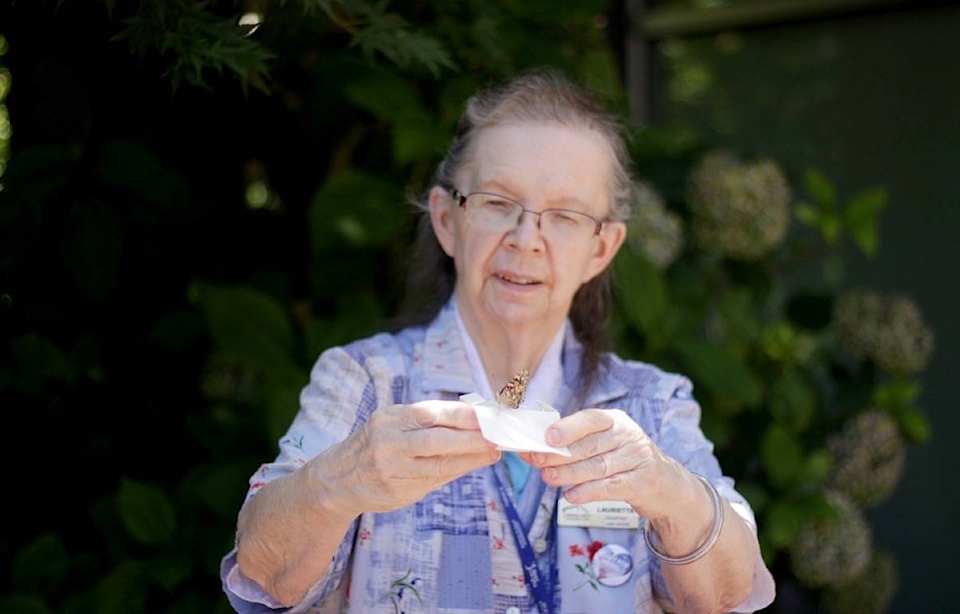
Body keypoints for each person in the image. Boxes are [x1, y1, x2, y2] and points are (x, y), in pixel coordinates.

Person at [220, 67, 777, 614]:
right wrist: (341, 479)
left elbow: (727, 594)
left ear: (601, 249)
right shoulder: (364, 382)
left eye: (565, 215)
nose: (525, 239)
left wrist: (671, 492)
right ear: (445, 220)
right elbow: (265, 574)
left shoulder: (652, 404)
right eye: (497, 203)